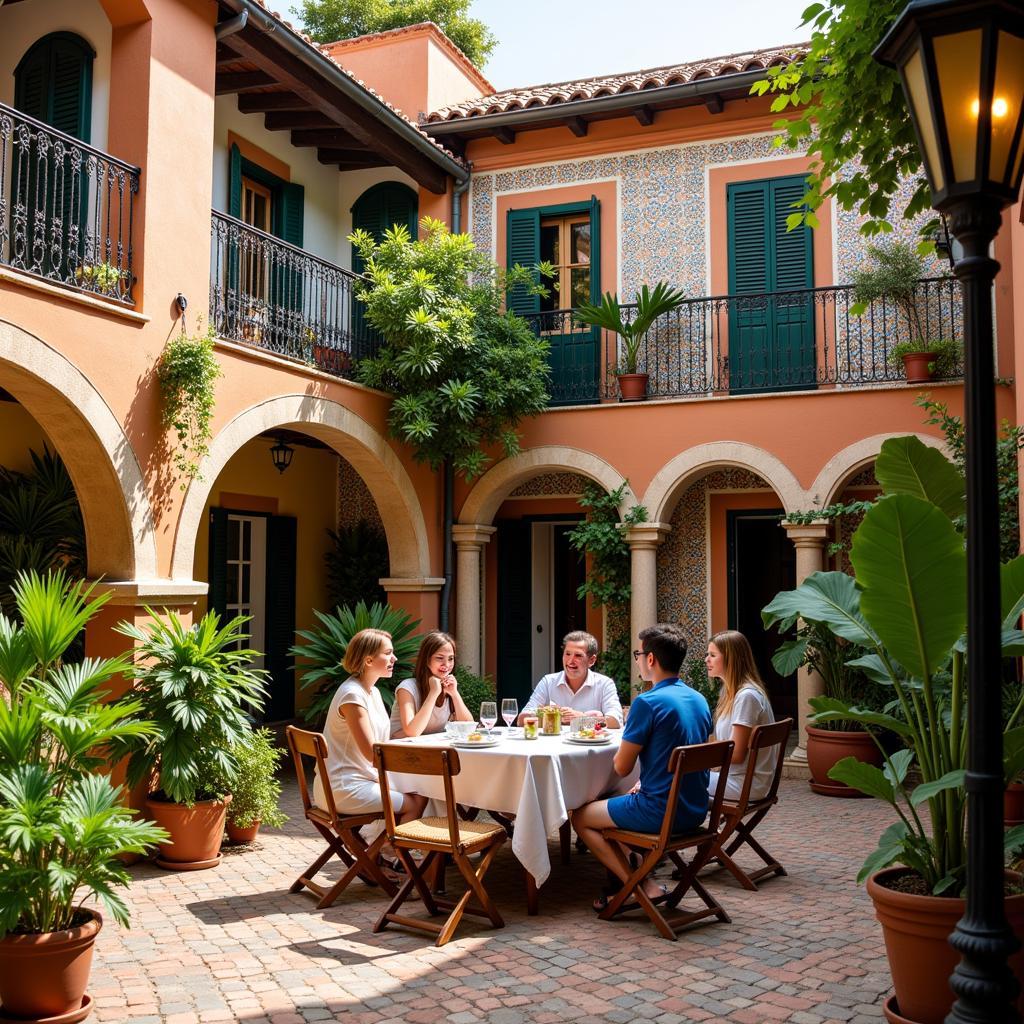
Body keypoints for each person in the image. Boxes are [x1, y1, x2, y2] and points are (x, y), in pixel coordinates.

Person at [570, 623, 712, 910]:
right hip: (695, 809)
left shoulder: (647, 703)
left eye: (638, 653)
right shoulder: (699, 699)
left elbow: (622, 768)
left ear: (650, 659)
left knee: (581, 817)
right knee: (611, 805)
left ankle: (636, 886)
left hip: (659, 811)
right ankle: (640, 879)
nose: (638, 659)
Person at [313, 627, 427, 872]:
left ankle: (377, 855)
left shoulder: (372, 691)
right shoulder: (352, 696)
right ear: (368, 660)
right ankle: (389, 857)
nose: (395, 659)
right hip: (343, 788)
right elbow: (371, 752)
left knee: (419, 789)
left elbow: (381, 739)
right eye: (388, 653)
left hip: (358, 780)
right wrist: (414, 760)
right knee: (416, 802)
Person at [705, 630, 776, 802]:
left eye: (713, 655)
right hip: (734, 778)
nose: (706, 660)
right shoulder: (729, 692)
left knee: (673, 780)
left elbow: (736, 755)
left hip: (745, 783)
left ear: (731, 658)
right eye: (708, 654)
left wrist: (699, 763)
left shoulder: (746, 697)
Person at [518, 631, 623, 727]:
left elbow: (615, 721)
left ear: (591, 660)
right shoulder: (548, 682)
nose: (571, 661)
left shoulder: (605, 684)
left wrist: (582, 719)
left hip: (588, 746)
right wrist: (552, 715)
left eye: (578, 655)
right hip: (553, 746)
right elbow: (522, 719)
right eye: (567, 654)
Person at [389, 631, 474, 737]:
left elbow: (468, 728)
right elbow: (412, 732)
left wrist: (454, 693)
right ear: (427, 660)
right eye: (440, 658)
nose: (446, 664)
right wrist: (433, 693)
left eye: (451, 658)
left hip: (433, 749)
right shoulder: (407, 688)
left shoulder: (448, 688)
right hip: (400, 749)